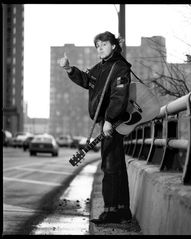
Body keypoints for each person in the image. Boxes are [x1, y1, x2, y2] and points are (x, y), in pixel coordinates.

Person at [59, 31, 132, 224]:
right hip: (107, 121)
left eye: (104, 45)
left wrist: (109, 119)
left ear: (114, 46)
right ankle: (122, 210)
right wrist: (69, 69)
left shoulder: (120, 67)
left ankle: (111, 212)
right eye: (97, 46)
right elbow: (86, 80)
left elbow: (119, 95)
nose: (100, 48)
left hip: (114, 122)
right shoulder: (101, 67)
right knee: (115, 164)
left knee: (110, 165)